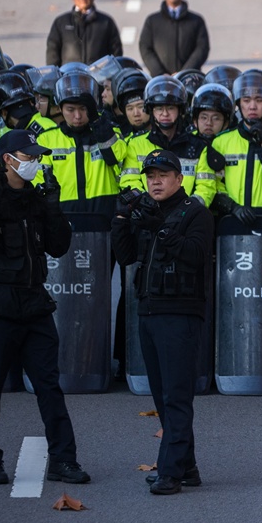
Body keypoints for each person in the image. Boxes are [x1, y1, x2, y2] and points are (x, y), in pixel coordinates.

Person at [0, 129, 90, 486]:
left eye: (36, 157)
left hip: (34, 305)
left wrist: (52, 206)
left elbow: (59, 246)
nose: (35, 162)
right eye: (29, 157)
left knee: (49, 385)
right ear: (8, 160)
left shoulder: (37, 200)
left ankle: (64, 460)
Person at [111, 150, 214, 495]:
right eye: (150, 175)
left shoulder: (195, 212)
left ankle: (169, 471)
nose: (155, 181)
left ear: (179, 179)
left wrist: (164, 230)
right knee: (161, 396)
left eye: (163, 175)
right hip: (150, 311)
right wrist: (123, 219)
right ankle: (187, 466)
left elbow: (198, 255)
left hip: (181, 313)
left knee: (176, 396)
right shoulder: (147, 213)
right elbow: (125, 256)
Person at [197, 71, 262, 224]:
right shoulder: (221, 142)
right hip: (234, 225)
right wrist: (232, 207)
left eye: (259, 100)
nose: (252, 106)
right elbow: (213, 185)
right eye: (246, 100)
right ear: (238, 104)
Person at [37, 72, 125, 216]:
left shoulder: (110, 131)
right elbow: (38, 182)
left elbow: (116, 156)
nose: (77, 116)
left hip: (105, 215)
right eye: (70, 110)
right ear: (60, 108)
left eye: (83, 109)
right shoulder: (46, 139)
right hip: (63, 217)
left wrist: (96, 121)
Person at [120, 76, 215, 207]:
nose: (165, 114)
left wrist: (188, 208)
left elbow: (206, 187)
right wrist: (146, 203)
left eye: (170, 108)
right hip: (147, 214)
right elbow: (129, 180)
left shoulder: (199, 145)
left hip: (186, 218)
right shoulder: (135, 144)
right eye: (159, 108)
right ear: (151, 111)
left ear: (180, 110)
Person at [138, 0, 210, 76]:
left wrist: (184, 73)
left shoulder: (196, 21)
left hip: (190, 79)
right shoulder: (152, 21)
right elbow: (145, 48)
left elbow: (202, 48)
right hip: (160, 81)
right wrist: (160, 73)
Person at [46, 0, 123, 66]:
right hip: (68, 77)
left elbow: (116, 54)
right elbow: (52, 54)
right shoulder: (61, 22)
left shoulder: (106, 22)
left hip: (99, 78)